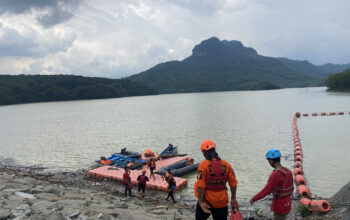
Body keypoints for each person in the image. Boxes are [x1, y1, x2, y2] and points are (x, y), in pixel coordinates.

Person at [194, 139, 238, 220]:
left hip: (206, 202)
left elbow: (201, 185)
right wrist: (233, 198)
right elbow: (233, 183)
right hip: (222, 202)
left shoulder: (202, 166)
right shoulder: (226, 165)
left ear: (204, 153)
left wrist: (200, 201)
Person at [250, 149, 294, 220]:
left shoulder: (276, 174)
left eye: (269, 161)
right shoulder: (288, 171)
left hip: (280, 206)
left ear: (271, 160)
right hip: (287, 203)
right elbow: (291, 189)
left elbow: (266, 191)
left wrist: (254, 198)